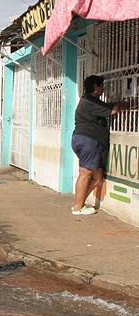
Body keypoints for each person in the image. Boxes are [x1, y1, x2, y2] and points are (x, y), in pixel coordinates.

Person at [71, 75, 121, 215]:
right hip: (89, 140)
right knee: (85, 174)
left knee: (97, 175)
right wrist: (121, 104)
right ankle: (78, 207)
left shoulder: (87, 100)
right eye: (101, 86)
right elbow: (113, 110)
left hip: (83, 139)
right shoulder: (89, 100)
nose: (103, 89)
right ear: (95, 87)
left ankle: (79, 203)